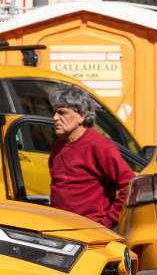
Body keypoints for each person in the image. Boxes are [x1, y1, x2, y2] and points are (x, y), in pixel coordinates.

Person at [47, 86, 135, 229]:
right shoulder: (58, 147)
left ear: (81, 116)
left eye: (62, 112)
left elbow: (129, 185)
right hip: (60, 230)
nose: (55, 118)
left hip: (90, 231)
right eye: (54, 112)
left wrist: (106, 222)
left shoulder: (99, 146)